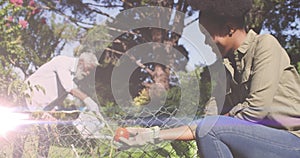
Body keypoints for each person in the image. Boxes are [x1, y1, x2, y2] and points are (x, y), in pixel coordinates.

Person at [116, 0, 300, 157]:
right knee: (209, 131)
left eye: (207, 35)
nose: (205, 42)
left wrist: (218, 121)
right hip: (255, 141)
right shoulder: (222, 68)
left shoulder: (265, 45)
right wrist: (151, 135)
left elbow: (255, 111)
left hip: (292, 141)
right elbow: (207, 122)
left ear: (229, 29)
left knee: (211, 130)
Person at [13, 52, 103, 158]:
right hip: (28, 100)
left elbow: (59, 96)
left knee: (45, 137)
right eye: (87, 69)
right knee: (22, 135)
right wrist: (88, 100)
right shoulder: (62, 62)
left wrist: (52, 111)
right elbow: (69, 88)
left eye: (90, 71)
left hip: (43, 108)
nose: (87, 73)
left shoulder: (73, 76)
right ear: (81, 62)